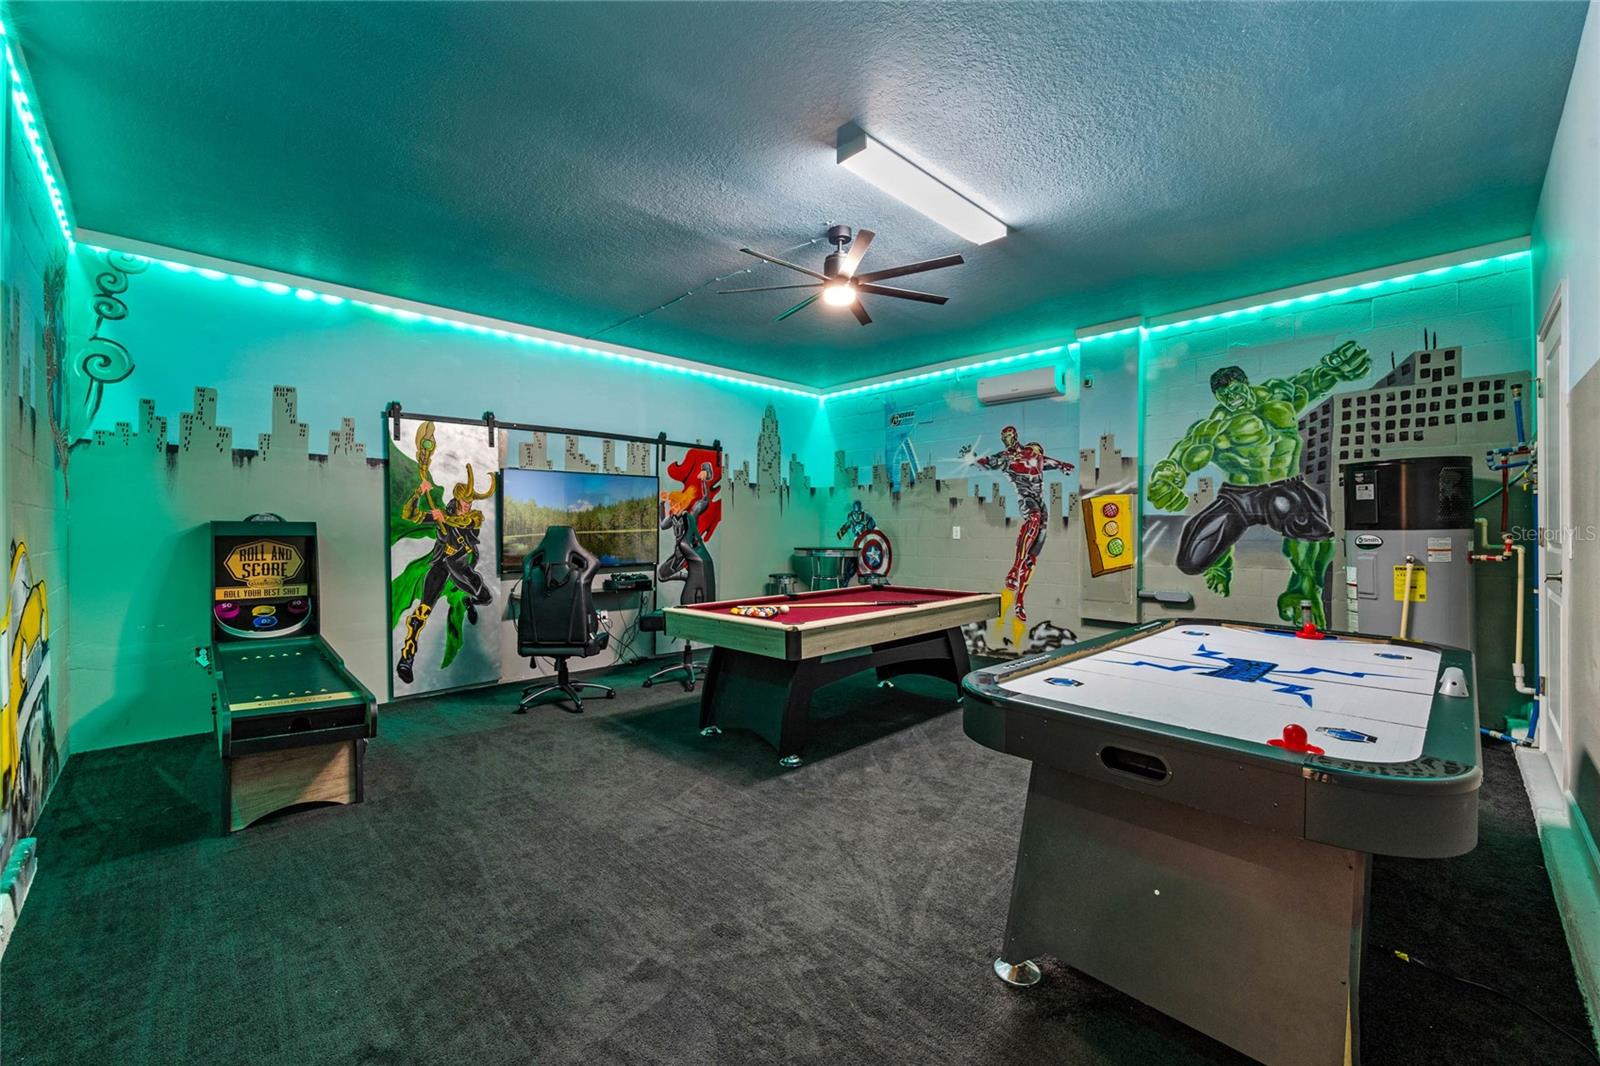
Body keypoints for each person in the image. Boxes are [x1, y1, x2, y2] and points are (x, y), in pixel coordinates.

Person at [1147, 340, 1371, 627]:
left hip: (1284, 485)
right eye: (1224, 395)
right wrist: (1165, 480)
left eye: (1235, 390)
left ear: (1246, 383)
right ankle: (1222, 561)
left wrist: (1335, 369)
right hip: (1238, 496)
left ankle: (1304, 588)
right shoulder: (1214, 428)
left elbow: (1314, 381)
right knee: (1190, 560)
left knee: (1298, 512)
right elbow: (1181, 457)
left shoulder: (1280, 395)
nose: (1232, 398)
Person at [976, 426, 1074, 622]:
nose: (1036, 455)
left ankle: (1019, 600)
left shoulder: (1038, 460)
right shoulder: (1010, 459)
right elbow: (990, 461)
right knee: (1034, 517)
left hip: (1040, 503)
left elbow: (1052, 462)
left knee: (1032, 558)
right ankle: (1014, 569)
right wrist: (977, 460)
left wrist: (1063, 465)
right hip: (1027, 500)